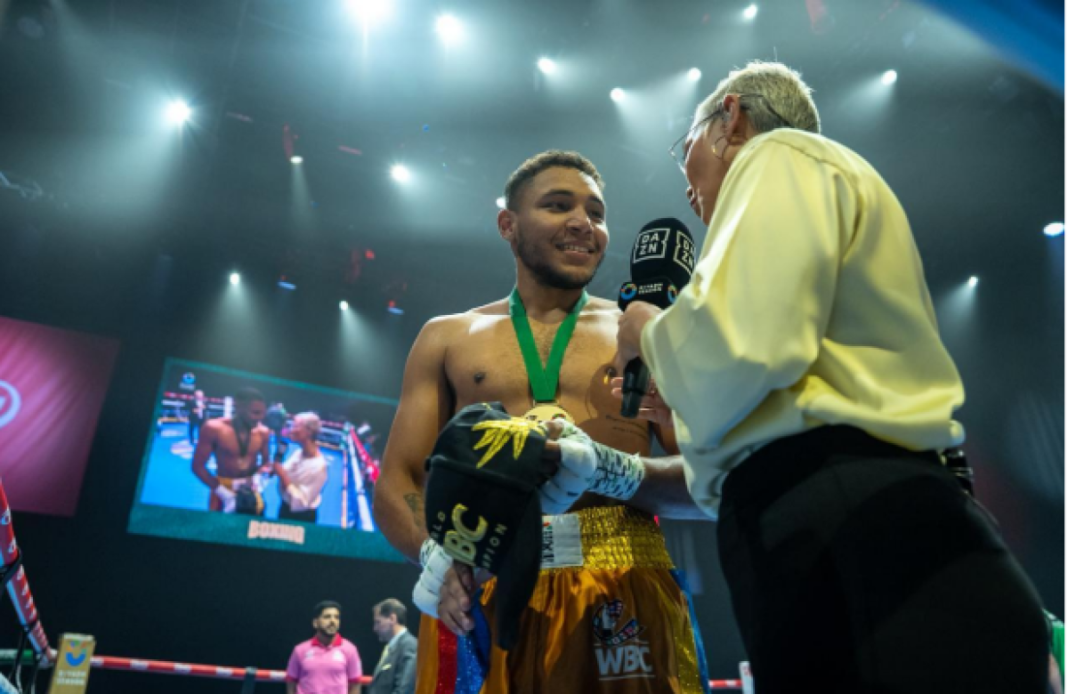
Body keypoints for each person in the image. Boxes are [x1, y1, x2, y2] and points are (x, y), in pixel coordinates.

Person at [611, 60, 1048, 693]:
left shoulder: (778, 155)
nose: (685, 186)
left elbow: (747, 346)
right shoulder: (826, 188)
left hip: (846, 519)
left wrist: (650, 332)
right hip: (879, 519)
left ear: (730, 118)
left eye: (686, 153)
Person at [373, 150, 709, 693]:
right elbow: (398, 479)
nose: (583, 223)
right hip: (480, 586)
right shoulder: (448, 337)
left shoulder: (643, 333)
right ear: (508, 224)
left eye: (596, 213)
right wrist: (438, 562)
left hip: (622, 584)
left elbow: (707, 481)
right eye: (558, 205)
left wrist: (610, 470)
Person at [191, 386, 271, 515]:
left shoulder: (263, 432)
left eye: (262, 413)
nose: (260, 418)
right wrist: (224, 493)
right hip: (222, 488)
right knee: (217, 531)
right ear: (238, 407)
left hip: (251, 488)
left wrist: (259, 478)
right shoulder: (214, 428)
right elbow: (197, 467)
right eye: (255, 412)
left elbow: (266, 463)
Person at [286, 601, 363, 694]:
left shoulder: (350, 650)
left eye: (336, 617)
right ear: (315, 623)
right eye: (327, 617)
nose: (332, 621)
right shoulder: (300, 650)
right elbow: (291, 684)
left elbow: (355, 685)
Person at [275, 412, 329, 523]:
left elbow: (302, 502)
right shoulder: (298, 452)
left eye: (295, 426)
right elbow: (283, 470)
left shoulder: (319, 466)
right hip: (285, 509)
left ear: (309, 431)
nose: (291, 430)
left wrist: (281, 474)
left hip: (301, 518)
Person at [368, 599, 417, 694]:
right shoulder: (393, 647)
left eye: (378, 622)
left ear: (392, 619)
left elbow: (404, 690)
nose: (375, 628)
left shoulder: (409, 646)